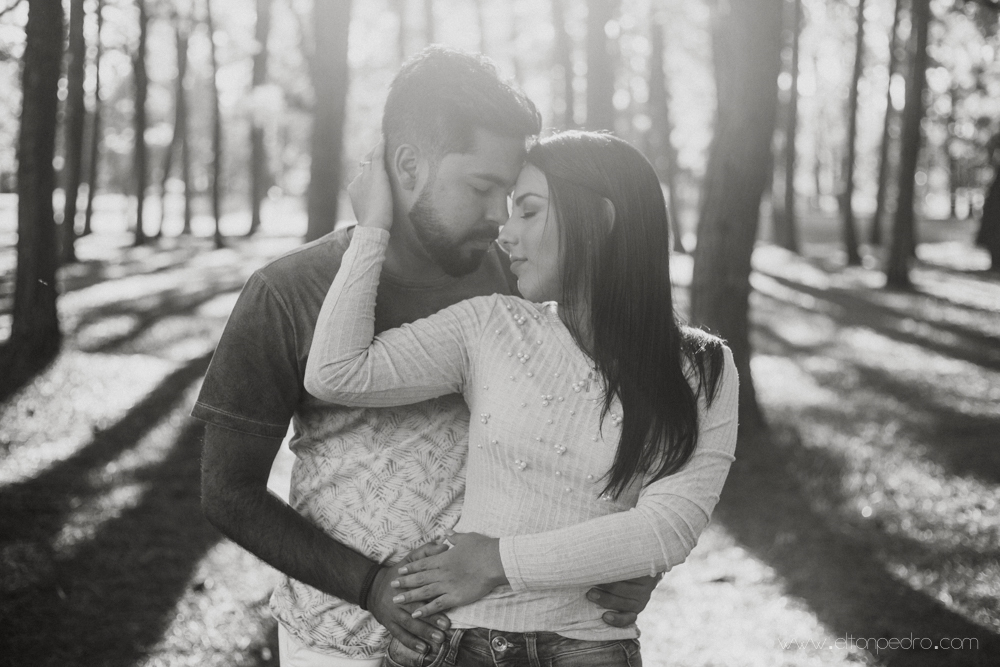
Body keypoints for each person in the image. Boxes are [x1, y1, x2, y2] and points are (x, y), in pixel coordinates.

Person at [196, 47, 658, 667]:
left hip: (498, 641)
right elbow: (228, 490)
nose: (499, 217)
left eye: (511, 193)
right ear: (409, 165)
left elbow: (591, 434)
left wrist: (635, 561)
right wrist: (369, 586)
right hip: (339, 643)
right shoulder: (288, 292)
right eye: (482, 188)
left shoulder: (519, 283)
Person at [303, 130, 740, 667]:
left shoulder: (703, 368)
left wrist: (494, 561)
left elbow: (666, 530)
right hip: (452, 644)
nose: (505, 234)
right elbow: (336, 373)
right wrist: (373, 228)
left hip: (589, 651)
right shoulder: (490, 325)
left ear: (601, 218)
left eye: (528, 210)